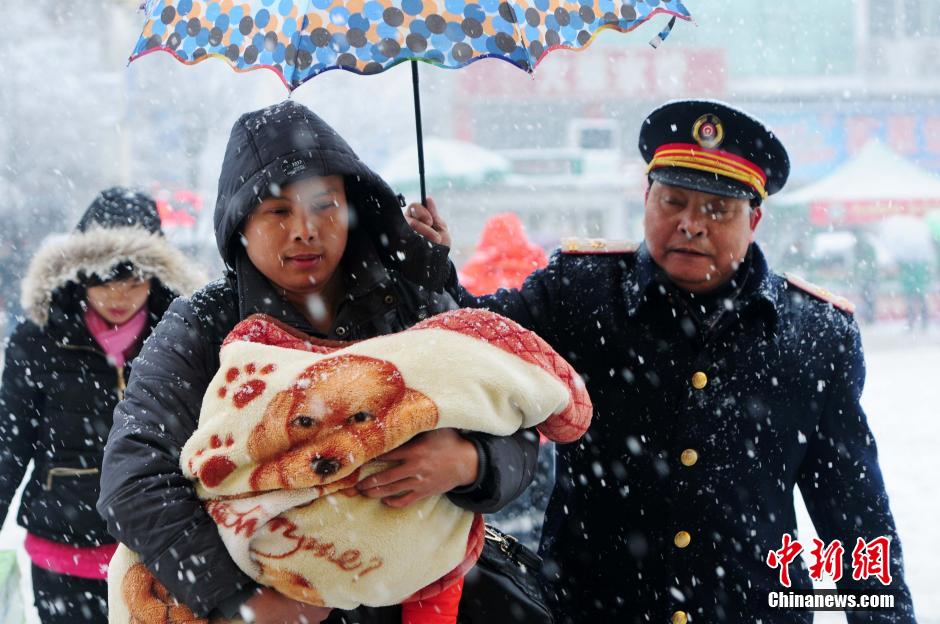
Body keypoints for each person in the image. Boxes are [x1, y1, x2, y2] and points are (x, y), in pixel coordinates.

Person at [406, 100, 916, 623]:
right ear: (647, 197)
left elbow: (855, 515)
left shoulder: (815, 335)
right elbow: (473, 338)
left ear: (755, 220)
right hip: (596, 610)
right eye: (673, 201)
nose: (690, 225)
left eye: (717, 210)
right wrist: (428, 269)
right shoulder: (581, 292)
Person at [97, 101, 538, 624]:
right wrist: (243, 601)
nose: (305, 229)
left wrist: (471, 461)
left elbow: (516, 422)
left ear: (353, 208)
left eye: (324, 205)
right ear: (240, 223)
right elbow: (133, 479)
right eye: (277, 212)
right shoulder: (202, 326)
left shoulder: (411, 302)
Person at [0, 187, 199, 623]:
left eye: (134, 281)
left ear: (156, 277)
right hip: (62, 551)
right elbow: (8, 445)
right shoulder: (38, 341)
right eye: (104, 281)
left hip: (156, 554)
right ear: (80, 274)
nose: (118, 295)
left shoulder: (182, 341)